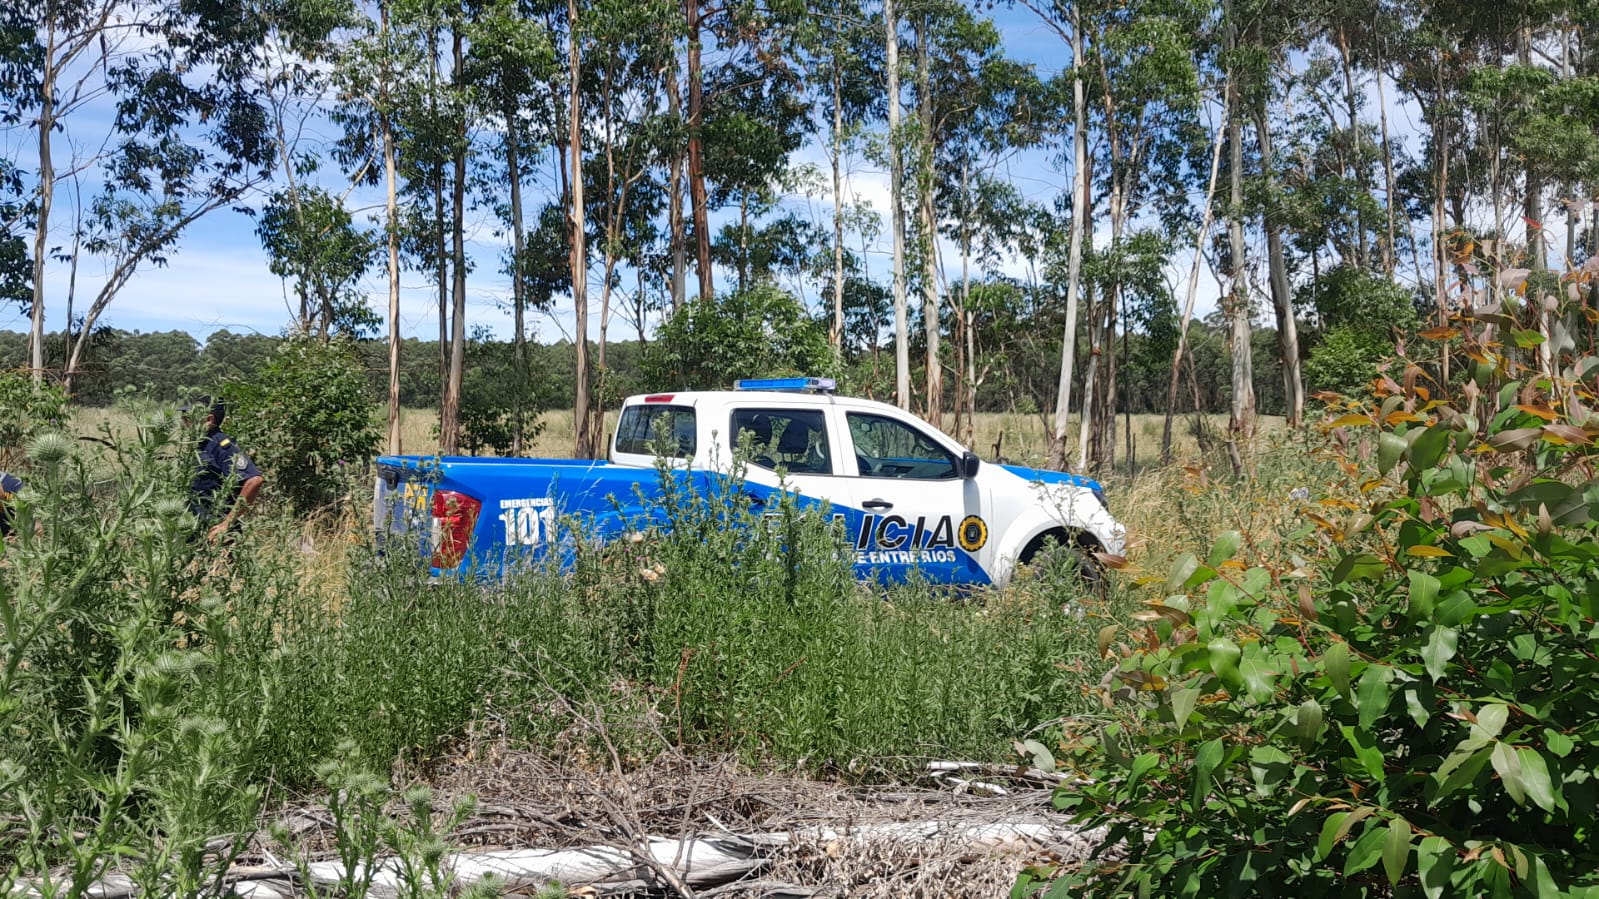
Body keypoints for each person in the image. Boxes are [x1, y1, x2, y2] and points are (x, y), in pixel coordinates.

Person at [185, 397, 264, 542]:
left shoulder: (222, 446)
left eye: (188, 418)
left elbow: (254, 480)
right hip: (196, 526)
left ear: (208, 420)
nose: (185, 422)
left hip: (215, 531)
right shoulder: (200, 444)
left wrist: (226, 524)